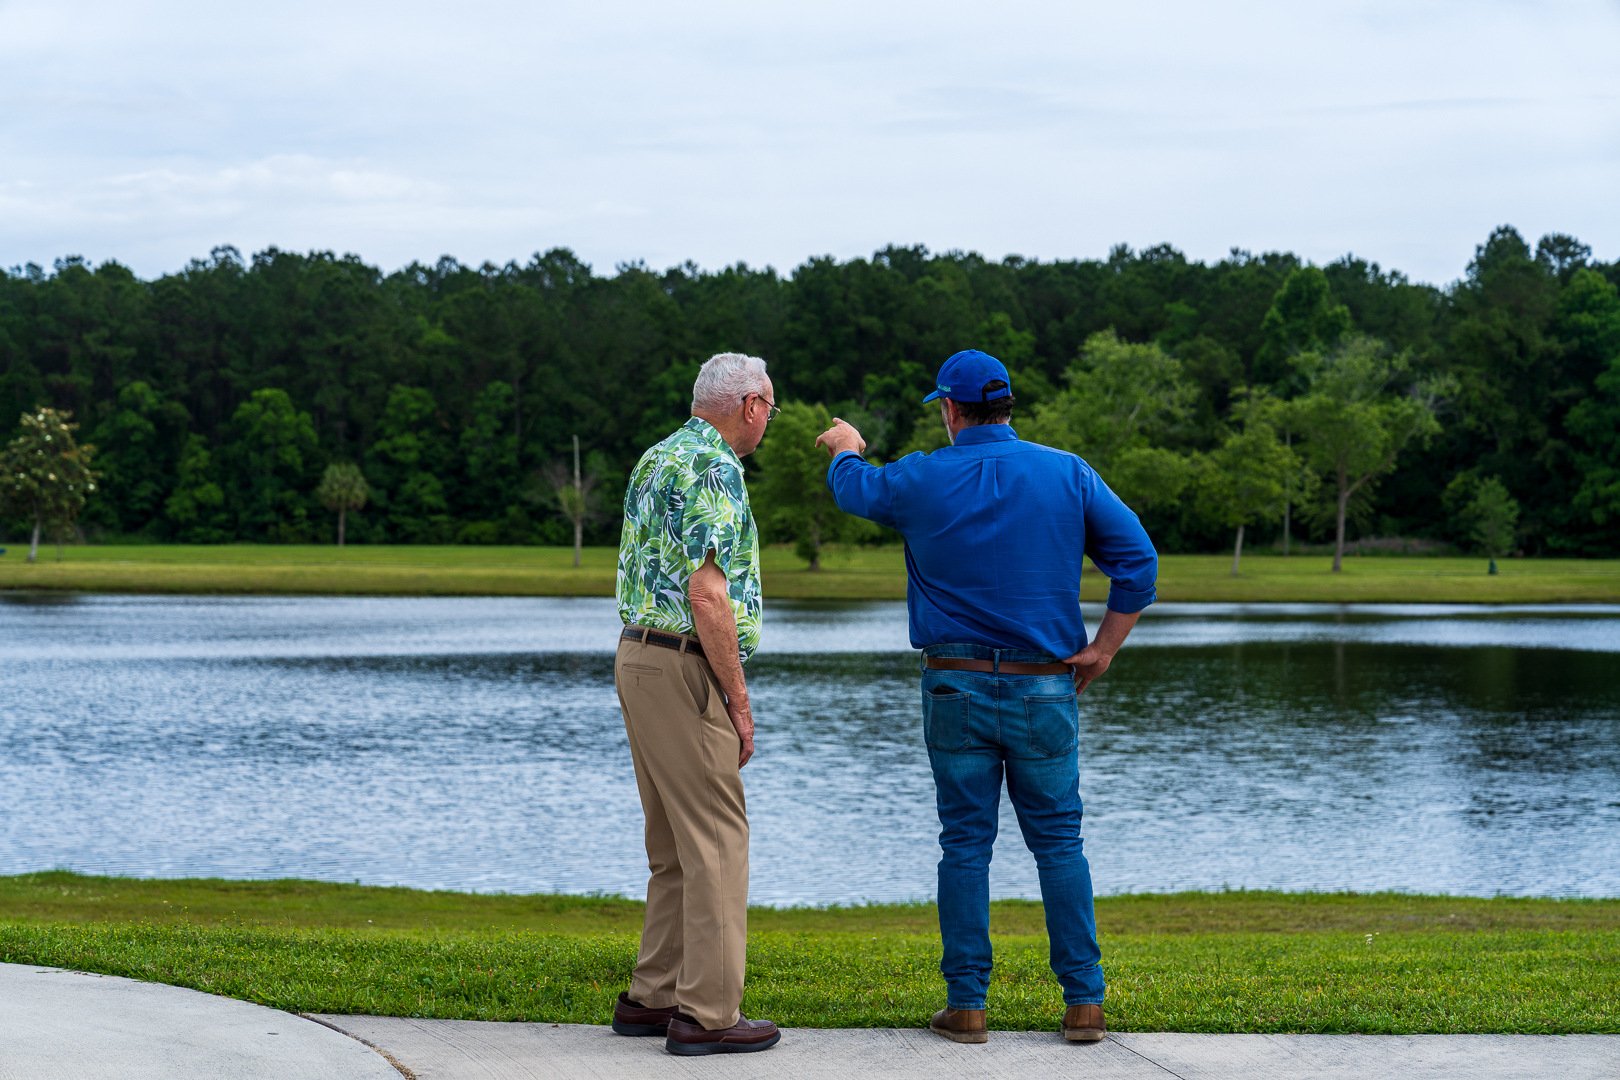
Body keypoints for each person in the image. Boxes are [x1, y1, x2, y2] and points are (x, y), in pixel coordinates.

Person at [815, 348, 1157, 1045]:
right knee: (1059, 843)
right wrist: (1103, 649)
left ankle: (967, 1005)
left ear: (949, 410)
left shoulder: (920, 477)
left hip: (954, 684)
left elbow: (854, 490)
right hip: (1044, 687)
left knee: (965, 845)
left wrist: (847, 447)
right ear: (1007, 407)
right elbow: (1138, 565)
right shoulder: (1068, 473)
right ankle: (1084, 1002)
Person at [609, 352, 781, 1056]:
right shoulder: (715, 468)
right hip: (684, 666)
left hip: (636, 658)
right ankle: (707, 1014)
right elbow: (708, 593)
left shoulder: (656, 457)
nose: (769, 417)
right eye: (768, 404)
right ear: (747, 405)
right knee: (716, 840)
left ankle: (653, 997)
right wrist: (738, 703)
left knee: (674, 842)